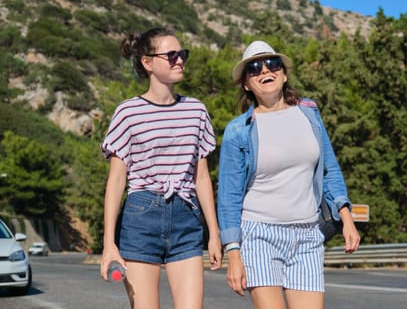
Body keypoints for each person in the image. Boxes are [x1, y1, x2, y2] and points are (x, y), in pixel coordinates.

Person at [217, 40, 361, 309]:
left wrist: (346, 217)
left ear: (283, 74)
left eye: (272, 64)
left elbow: (329, 169)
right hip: (259, 234)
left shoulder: (309, 114)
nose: (264, 71)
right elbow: (229, 197)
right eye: (254, 68)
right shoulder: (238, 130)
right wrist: (233, 254)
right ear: (247, 84)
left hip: (307, 235)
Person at [99, 27, 222, 309]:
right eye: (171, 55)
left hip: (185, 217)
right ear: (147, 62)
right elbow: (117, 181)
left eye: (182, 54)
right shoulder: (127, 112)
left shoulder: (196, 111)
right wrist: (109, 244)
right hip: (141, 217)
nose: (180, 60)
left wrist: (214, 233)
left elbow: (201, 177)